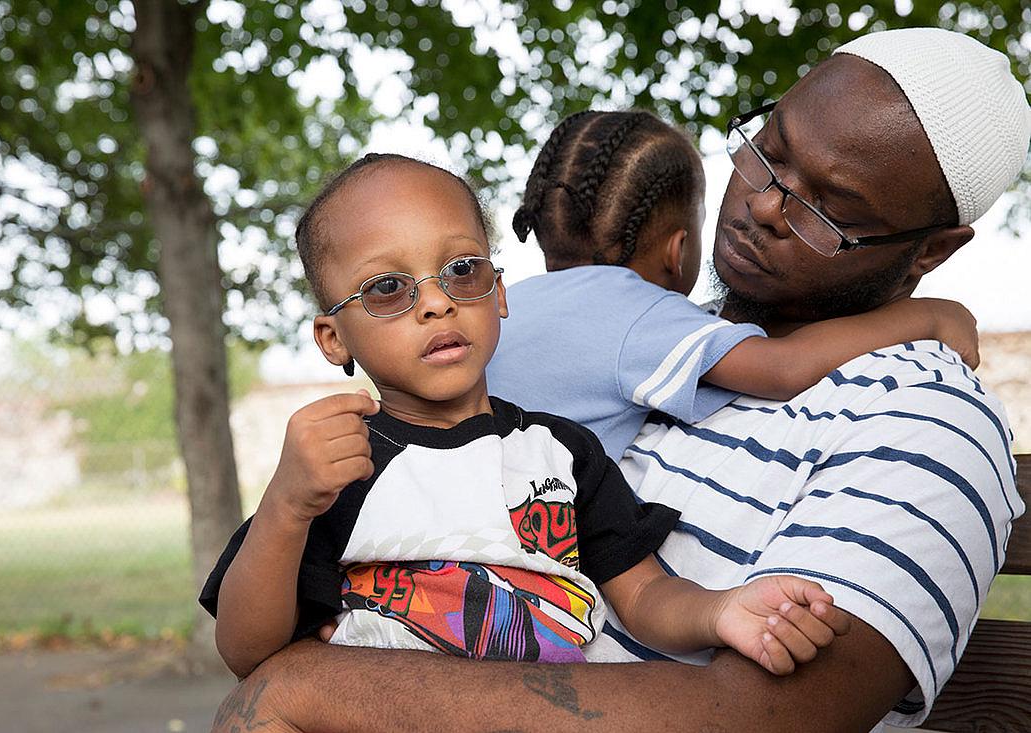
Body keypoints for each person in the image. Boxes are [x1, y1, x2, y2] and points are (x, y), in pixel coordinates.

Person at [209, 28, 1028, 733]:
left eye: (829, 206)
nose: (765, 206)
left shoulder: (923, 419)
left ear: (933, 251)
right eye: (766, 152)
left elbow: (761, 717)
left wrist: (318, 688)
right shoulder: (651, 346)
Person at [199, 152, 855, 682]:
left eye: (460, 269)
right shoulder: (340, 470)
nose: (435, 304)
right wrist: (286, 504)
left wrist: (722, 610)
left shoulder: (563, 453)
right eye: (388, 288)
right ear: (332, 338)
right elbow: (247, 650)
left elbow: (647, 597)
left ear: (498, 292)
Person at [487, 109, 979, 459]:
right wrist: (930, 316)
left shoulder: (507, 306)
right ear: (677, 251)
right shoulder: (643, 315)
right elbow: (785, 367)